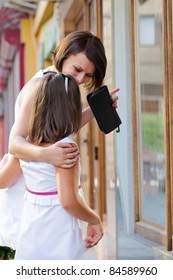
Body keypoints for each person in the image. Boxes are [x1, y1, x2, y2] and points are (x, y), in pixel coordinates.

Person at [0, 30, 119, 249]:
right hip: (34, 197)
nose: (81, 79)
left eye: (88, 75)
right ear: (64, 55)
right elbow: (15, 143)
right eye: (78, 69)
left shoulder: (59, 86)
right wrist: (47, 154)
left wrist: (94, 110)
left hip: (44, 200)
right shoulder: (41, 87)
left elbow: (57, 129)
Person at [1, 72, 103, 260]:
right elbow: (68, 201)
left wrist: (5, 162)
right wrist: (94, 219)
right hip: (59, 234)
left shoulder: (27, 145)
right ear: (70, 108)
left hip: (31, 231)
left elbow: (4, 180)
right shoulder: (65, 148)